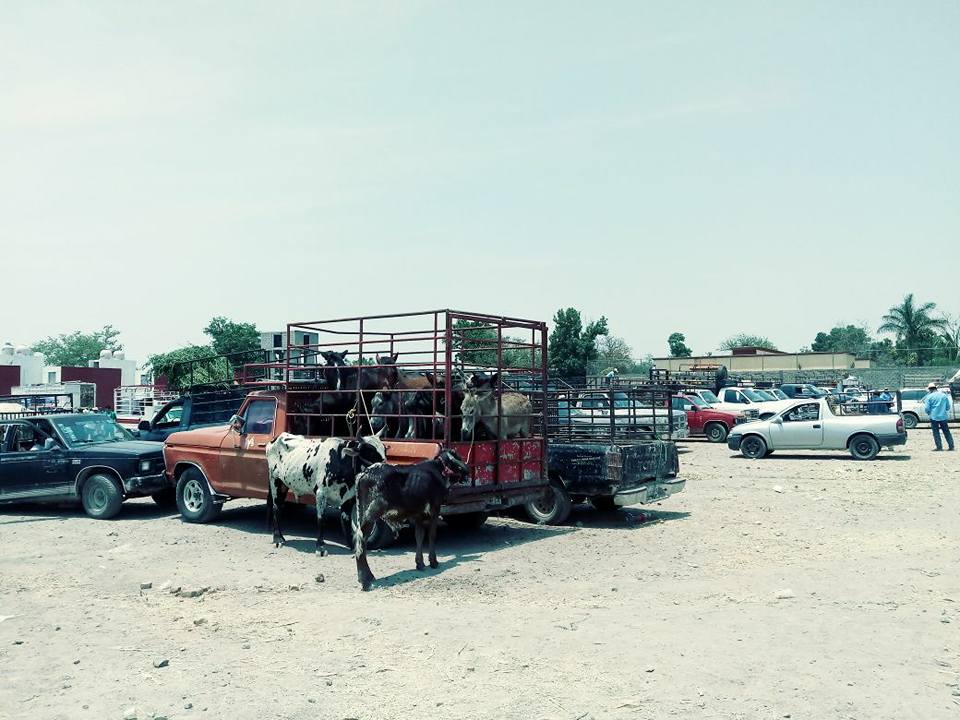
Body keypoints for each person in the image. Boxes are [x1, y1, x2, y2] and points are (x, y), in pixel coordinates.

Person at [922, 382, 954, 451]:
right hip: (943, 417)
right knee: (946, 432)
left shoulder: (929, 397)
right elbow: (948, 407)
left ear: (930, 389)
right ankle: (951, 446)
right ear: (935, 388)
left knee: (936, 433)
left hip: (934, 417)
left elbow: (927, 408)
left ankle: (939, 447)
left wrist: (929, 413)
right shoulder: (944, 395)